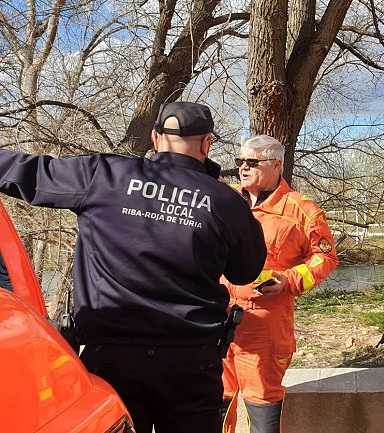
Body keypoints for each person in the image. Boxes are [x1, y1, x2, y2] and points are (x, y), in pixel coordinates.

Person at [0, 101, 267, 433]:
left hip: (112, 358)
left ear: (155, 138)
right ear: (206, 143)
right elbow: (245, 273)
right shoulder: (226, 202)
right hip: (190, 364)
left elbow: (24, 172)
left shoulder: (104, 175)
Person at [220, 135, 338, 433]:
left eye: (251, 162)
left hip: (265, 323)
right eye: (239, 162)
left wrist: (289, 279)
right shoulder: (226, 202)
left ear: (276, 165)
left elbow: (325, 258)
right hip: (217, 317)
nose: (242, 168)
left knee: (262, 400)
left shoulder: (301, 209)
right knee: (214, 399)